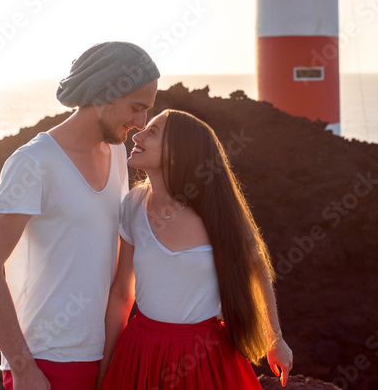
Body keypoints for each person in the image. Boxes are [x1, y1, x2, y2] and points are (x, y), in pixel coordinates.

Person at [0, 42, 160, 390]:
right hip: (46, 361)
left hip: (98, 354)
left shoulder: (118, 153)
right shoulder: (33, 162)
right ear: (105, 94)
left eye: (147, 110)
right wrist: (24, 369)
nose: (140, 123)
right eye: (136, 107)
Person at [98, 109, 293, 390]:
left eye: (152, 132)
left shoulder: (219, 212)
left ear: (177, 154)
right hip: (142, 350)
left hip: (205, 356)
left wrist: (275, 340)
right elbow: (121, 294)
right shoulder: (133, 204)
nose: (137, 135)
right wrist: (106, 370)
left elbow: (257, 270)